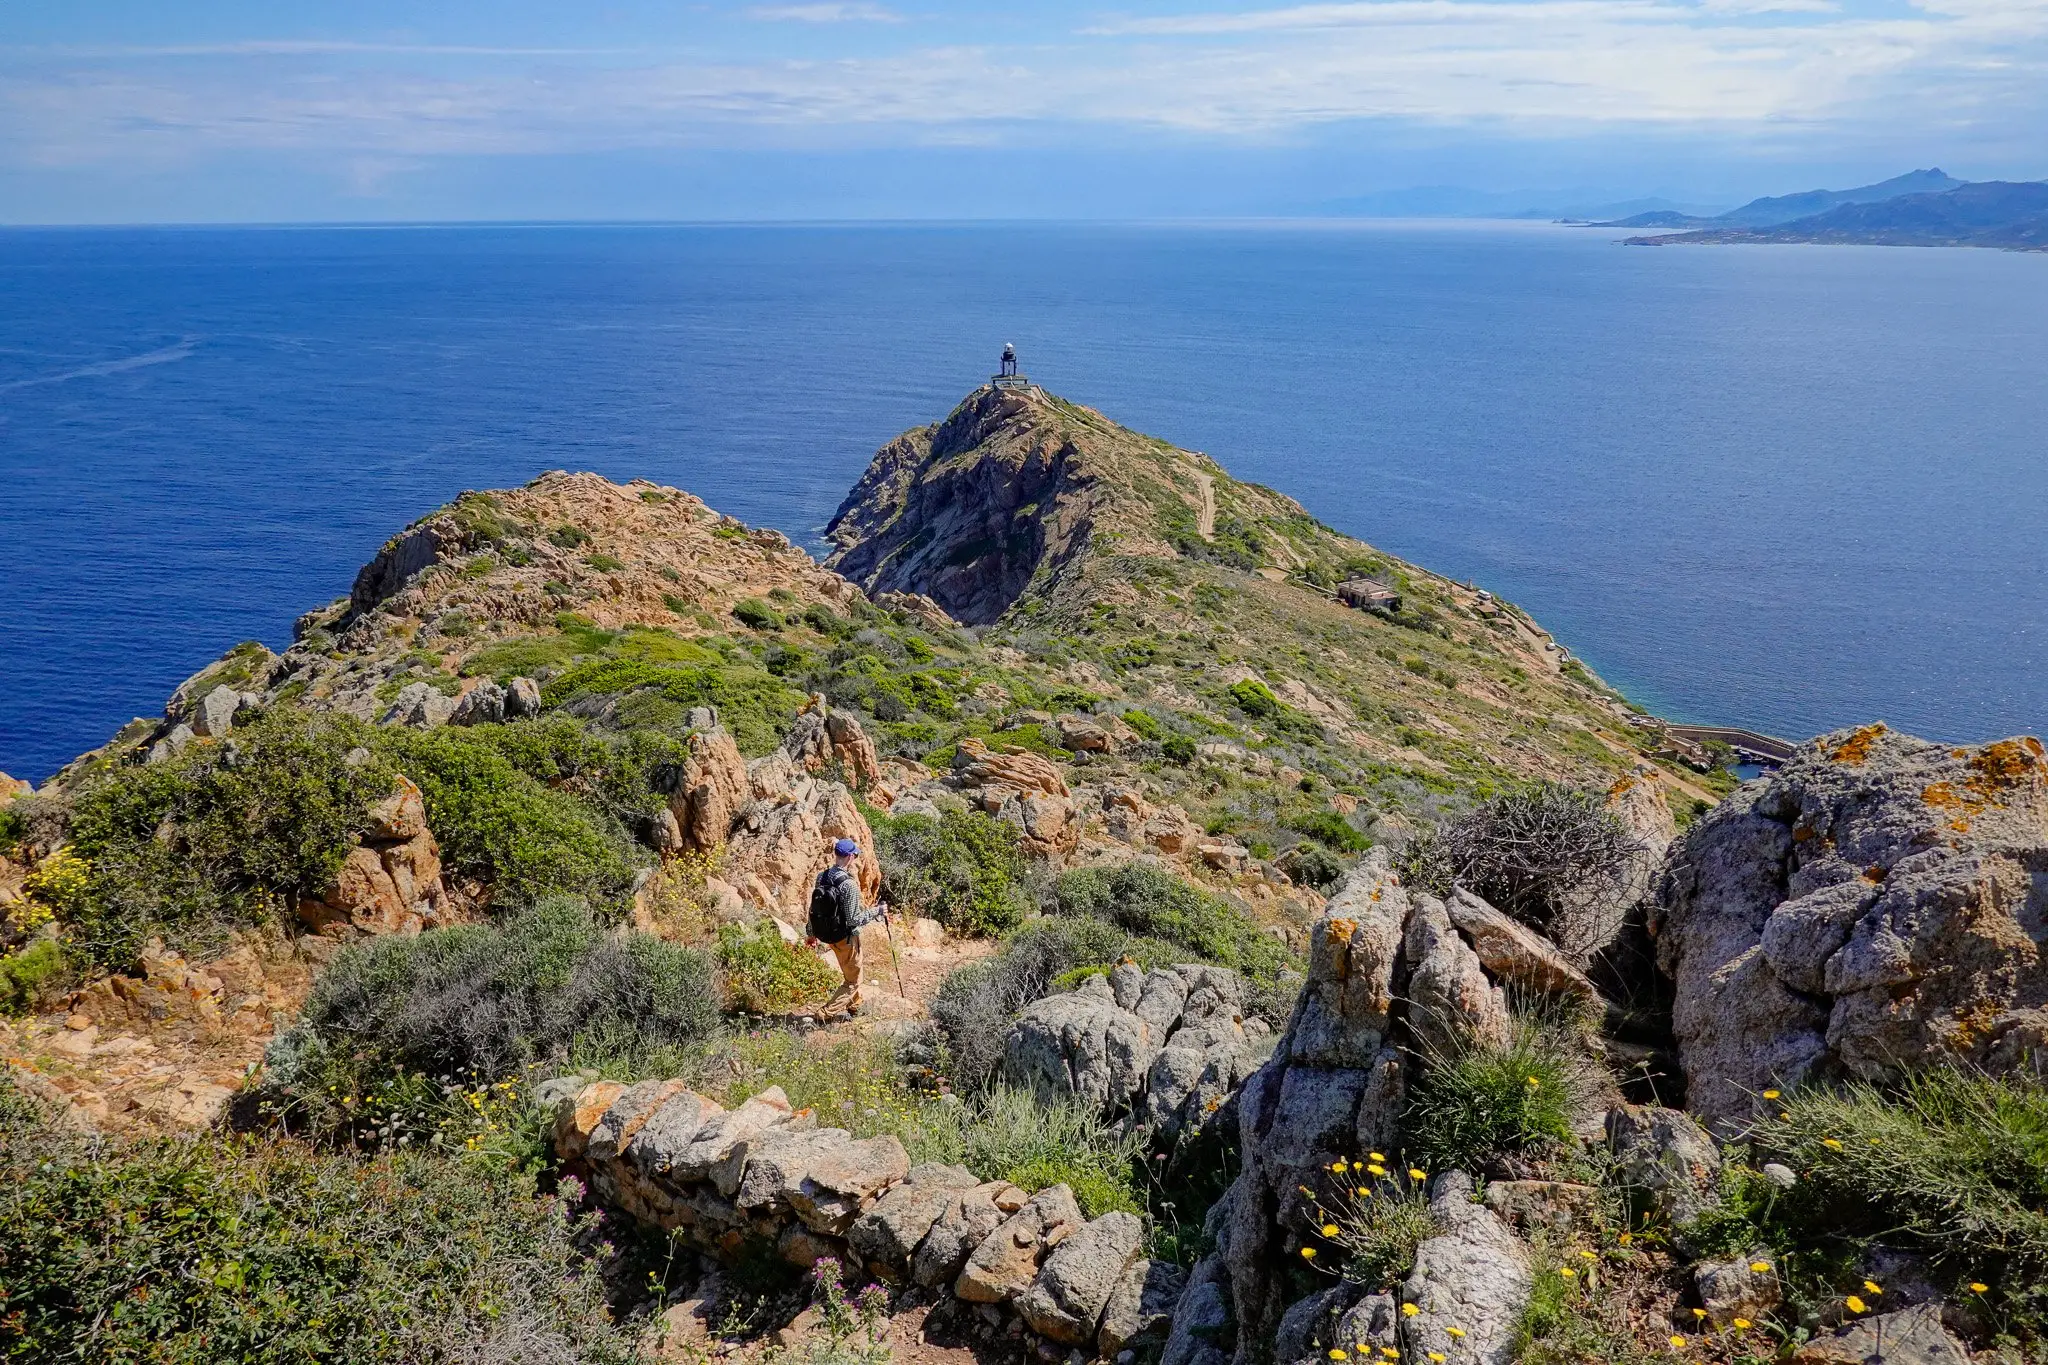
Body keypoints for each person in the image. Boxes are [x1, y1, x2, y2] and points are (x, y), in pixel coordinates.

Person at [806, 837, 889, 1014]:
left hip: (828, 935)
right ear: (850, 857)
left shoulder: (822, 877)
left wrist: (811, 933)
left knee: (851, 971)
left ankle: (855, 1005)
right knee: (853, 981)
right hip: (846, 938)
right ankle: (824, 1014)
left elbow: (814, 908)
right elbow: (854, 920)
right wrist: (877, 911)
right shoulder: (849, 885)